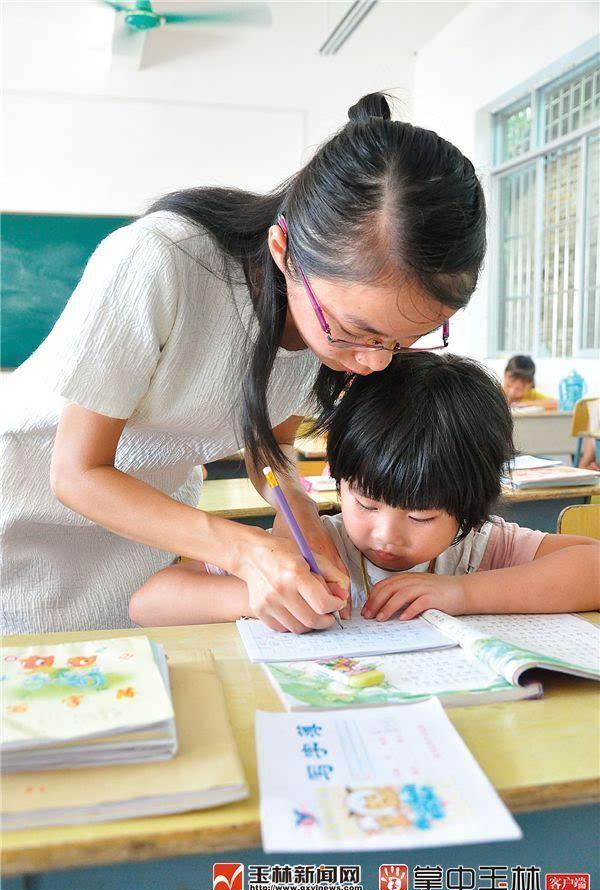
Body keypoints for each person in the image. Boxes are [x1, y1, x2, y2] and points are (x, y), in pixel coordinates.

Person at [1, 93, 487, 636]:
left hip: (150, 533)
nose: (373, 363)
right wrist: (246, 551)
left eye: (405, 340)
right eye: (354, 333)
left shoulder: (326, 324)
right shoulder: (163, 261)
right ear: (284, 251)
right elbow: (76, 474)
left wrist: (298, 514)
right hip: (21, 519)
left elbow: (269, 448)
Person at [129, 353, 599, 629]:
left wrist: (462, 594)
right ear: (337, 477)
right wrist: (258, 595)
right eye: (366, 504)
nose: (385, 535)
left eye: (420, 518)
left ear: (470, 507)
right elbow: (148, 602)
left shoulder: (481, 548)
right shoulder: (312, 547)